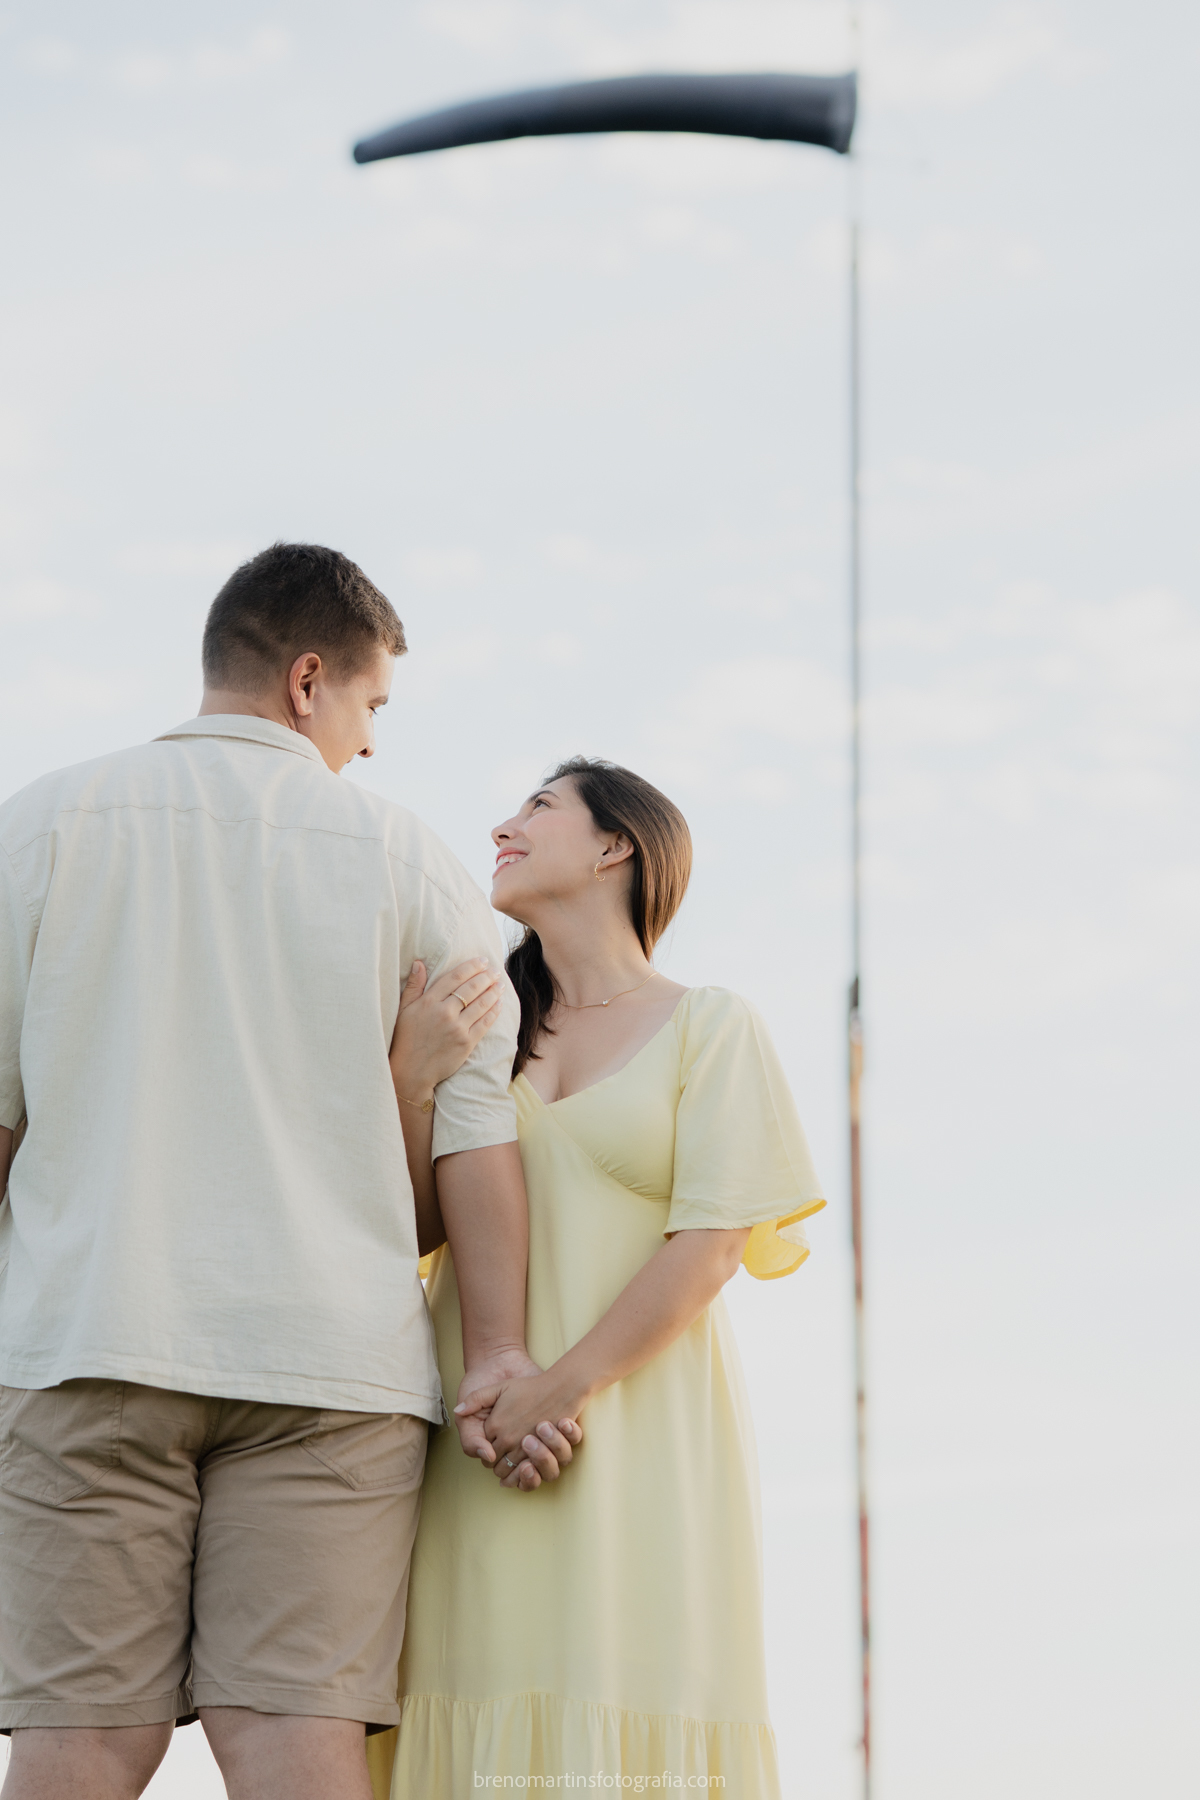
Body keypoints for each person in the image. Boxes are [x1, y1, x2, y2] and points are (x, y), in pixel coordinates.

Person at [0, 542, 576, 1800]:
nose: (371, 744)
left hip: (90, 1337)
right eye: (371, 706)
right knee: (295, 1739)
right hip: (332, 1368)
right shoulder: (413, 861)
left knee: (81, 1742)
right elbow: (480, 1142)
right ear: (310, 681)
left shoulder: (37, 825)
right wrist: (496, 1353)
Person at [366, 757, 826, 1800]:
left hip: (636, 1436)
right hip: (473, 1438)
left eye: (536, 807)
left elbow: (711, 1247)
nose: (502, 826)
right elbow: (409, 1223)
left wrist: (557, 1388)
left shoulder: (712, 1026)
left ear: (617, 845)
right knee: (460, 1691)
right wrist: (407, 1079)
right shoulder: (475, 1024)